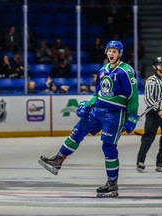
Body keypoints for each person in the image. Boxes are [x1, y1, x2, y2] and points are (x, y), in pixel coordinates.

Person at [38, 40, 139, 198]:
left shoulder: (126, 71)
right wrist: (88, 104)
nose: (111, 54)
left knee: (108, 147)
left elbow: (132, 96)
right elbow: (97, 93)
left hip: (114, 114)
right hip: (97, 111)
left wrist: (132, 115)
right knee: (76, 132)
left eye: (115, 51)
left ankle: (112, 184)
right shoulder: (102, 70)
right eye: (109, 51)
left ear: (120, 53)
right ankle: (57, 161)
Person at [136, 57, 162, 173]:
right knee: (148, 137)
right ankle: (140, 161)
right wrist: (159, 110)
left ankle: (161, 161)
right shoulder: (151, 81)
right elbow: (148, 99)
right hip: (154, 113)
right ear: (158, 66)